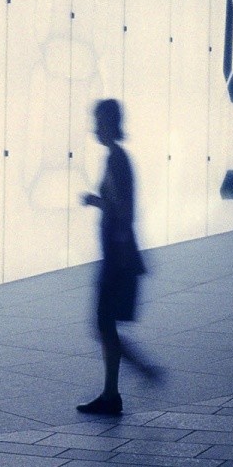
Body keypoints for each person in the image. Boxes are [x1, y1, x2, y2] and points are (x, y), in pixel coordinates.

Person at [77, 98, 162, 415]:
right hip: (116, 254)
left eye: (99, 121)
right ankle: (112, 392)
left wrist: (98, 203)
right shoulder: (117, 158)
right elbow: (119, 205)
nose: (95, 128)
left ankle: (135, 374)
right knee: (105, 324)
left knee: (102, 324)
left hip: (116, 256)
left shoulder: (116, 160)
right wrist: (97, 201)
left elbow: (123, 211)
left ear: (110, 124)